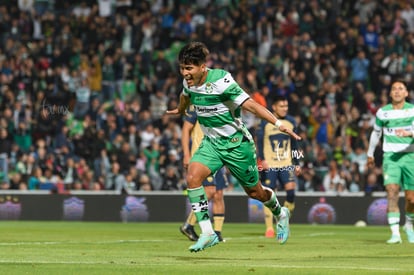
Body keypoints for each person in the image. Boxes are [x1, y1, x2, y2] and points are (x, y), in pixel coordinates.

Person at [166, 41, 301, 252]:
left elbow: (251, 105)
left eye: (189, 68)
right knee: (192, 177)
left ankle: (280, 212)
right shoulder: (188, 83)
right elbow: (185, 97)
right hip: (211, 144)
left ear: (203, 67)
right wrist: (180, 109)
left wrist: (277, 123)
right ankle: (208, 232)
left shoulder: (221, 80)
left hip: (237, 145)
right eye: (182, 68)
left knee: (255, 192)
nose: (185, 73)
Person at [367, 80, 414, 244]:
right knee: (392, 191)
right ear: (390, 93)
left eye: (401, 89)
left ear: (406, 93)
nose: (397, 91)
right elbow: (376, 133)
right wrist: (370, 153)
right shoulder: (382, 112)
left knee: (411, 199)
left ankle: (408, 224)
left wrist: (408, 133)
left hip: (410, 157)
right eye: (394, 89)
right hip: (390, 157)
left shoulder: (412, 110)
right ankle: (395, 234)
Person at [179, 107, 227, 242]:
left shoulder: (222, 108)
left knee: (218, 194)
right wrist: (186, 154)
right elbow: (185, 129)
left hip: (218, 157)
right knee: (210, 191)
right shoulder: (198, 107)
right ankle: (189, 224)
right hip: (202, 157)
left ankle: (217, 233)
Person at [256, 95, 301, 238]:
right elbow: (260, 142)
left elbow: (295, 144)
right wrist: (261, 160)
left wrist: (297, 163)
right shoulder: (266, 122)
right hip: (270, 163)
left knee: (291, 193)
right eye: (281, 106)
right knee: (270, 195)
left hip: (286, 163)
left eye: (286, 106)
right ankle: (269, 228)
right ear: (274, 107)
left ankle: (283, 221)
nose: (284, 109)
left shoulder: (291, 122)